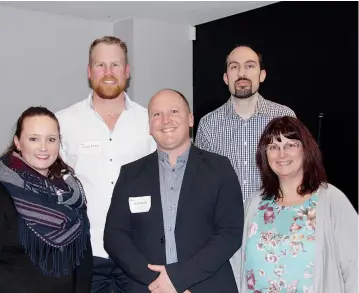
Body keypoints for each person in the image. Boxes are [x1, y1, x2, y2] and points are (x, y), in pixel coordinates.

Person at [104, 89, 244, 293]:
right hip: (148, 287)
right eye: (157, 114)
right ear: (150, 126)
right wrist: (158, 282)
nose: (165, 120)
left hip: (207, 286)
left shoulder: (220, 168)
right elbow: (114, 236)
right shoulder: (130, 174)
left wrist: (179, 278)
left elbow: (230, 233)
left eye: (174, 112)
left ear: (190, 119)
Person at [55, 36, 156, 293]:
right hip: (84, 255)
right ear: (89, 71)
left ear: (127, 71)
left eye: (115, 65)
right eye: (100, 65)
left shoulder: (150, 121)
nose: (108, 72)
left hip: (140, 256)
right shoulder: (63, 122)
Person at [231, 116, 358, 293]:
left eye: (290, 145)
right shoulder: (254, 204)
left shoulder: (332, 201)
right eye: (274, 147)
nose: (282, 154)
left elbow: (355, 268)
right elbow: (236, 266)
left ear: (306, 150)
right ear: (264, 154)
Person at [0, 106, 93, 293]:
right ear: (18, 143)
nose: (44, 147)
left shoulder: (72, 193)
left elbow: (84, 261)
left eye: (51, 139)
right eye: (33, 139)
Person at [195, 45, 296, 201]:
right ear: (226, 78)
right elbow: (202, 181)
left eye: (249, 66)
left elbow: (297, 171)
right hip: (226, 221)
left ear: (262, 75)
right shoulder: (208, 124)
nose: (241, 73)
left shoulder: (283, 116)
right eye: (234, 67)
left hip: (273, 218)